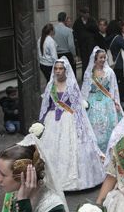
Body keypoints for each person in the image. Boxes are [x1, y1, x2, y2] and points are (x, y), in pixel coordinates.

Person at [38, 57, 105, 191]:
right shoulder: (51, 85)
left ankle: (73, 181)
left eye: (60, 68)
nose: (58, 71)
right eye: (56, 68)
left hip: (69, 120)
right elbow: (46, 106)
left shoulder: (71, 85)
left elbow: (78, 108)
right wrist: (41, 124)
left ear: (66, 70)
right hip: (53, 121)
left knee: (70, 148)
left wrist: (81, 127)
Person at [79, 47, 123, 153]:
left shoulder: (110, 72)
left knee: (107, 124)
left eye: (104, 57)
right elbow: (85, 88)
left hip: (106, 101)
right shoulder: (89, 72)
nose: (103, 59)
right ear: (95, 59)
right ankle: (93, 148)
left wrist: (116, 103)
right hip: (92, 100)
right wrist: (83, 102)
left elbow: (114, 88)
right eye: (100, 58)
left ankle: (108, 148)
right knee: (93, 124)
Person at [74, 7, 98, 74]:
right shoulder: (78, 22)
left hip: (91, 44)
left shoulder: (92, 20)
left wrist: (88, 26)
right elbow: (75, 32)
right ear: (82, 14)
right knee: (84, 62)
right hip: (82, 45)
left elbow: (96, 29)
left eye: (88, 13)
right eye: (85, 13)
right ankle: (84, 76)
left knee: (92, 60)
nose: (87, 14)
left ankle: (92, 75)